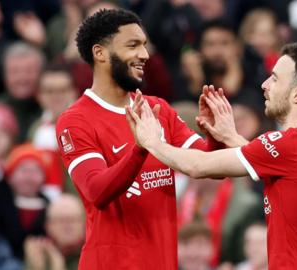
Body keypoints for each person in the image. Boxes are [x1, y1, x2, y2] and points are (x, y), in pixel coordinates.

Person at [129, 42, 297, 269]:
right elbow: (283, 168)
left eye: (274, 79)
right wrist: (230, 136)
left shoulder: (290, 144)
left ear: (296, 94)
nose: (265, 85)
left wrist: (152, 141)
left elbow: (197, 166)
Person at [55, 8, 220, 270]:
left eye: (144, 45)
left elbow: (208, 164)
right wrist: (140, 150)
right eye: (133, 45)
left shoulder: (157, 109)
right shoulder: (75, 120)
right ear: (100, 53)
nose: (144, 54)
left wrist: (216, 135)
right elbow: (96, 190)